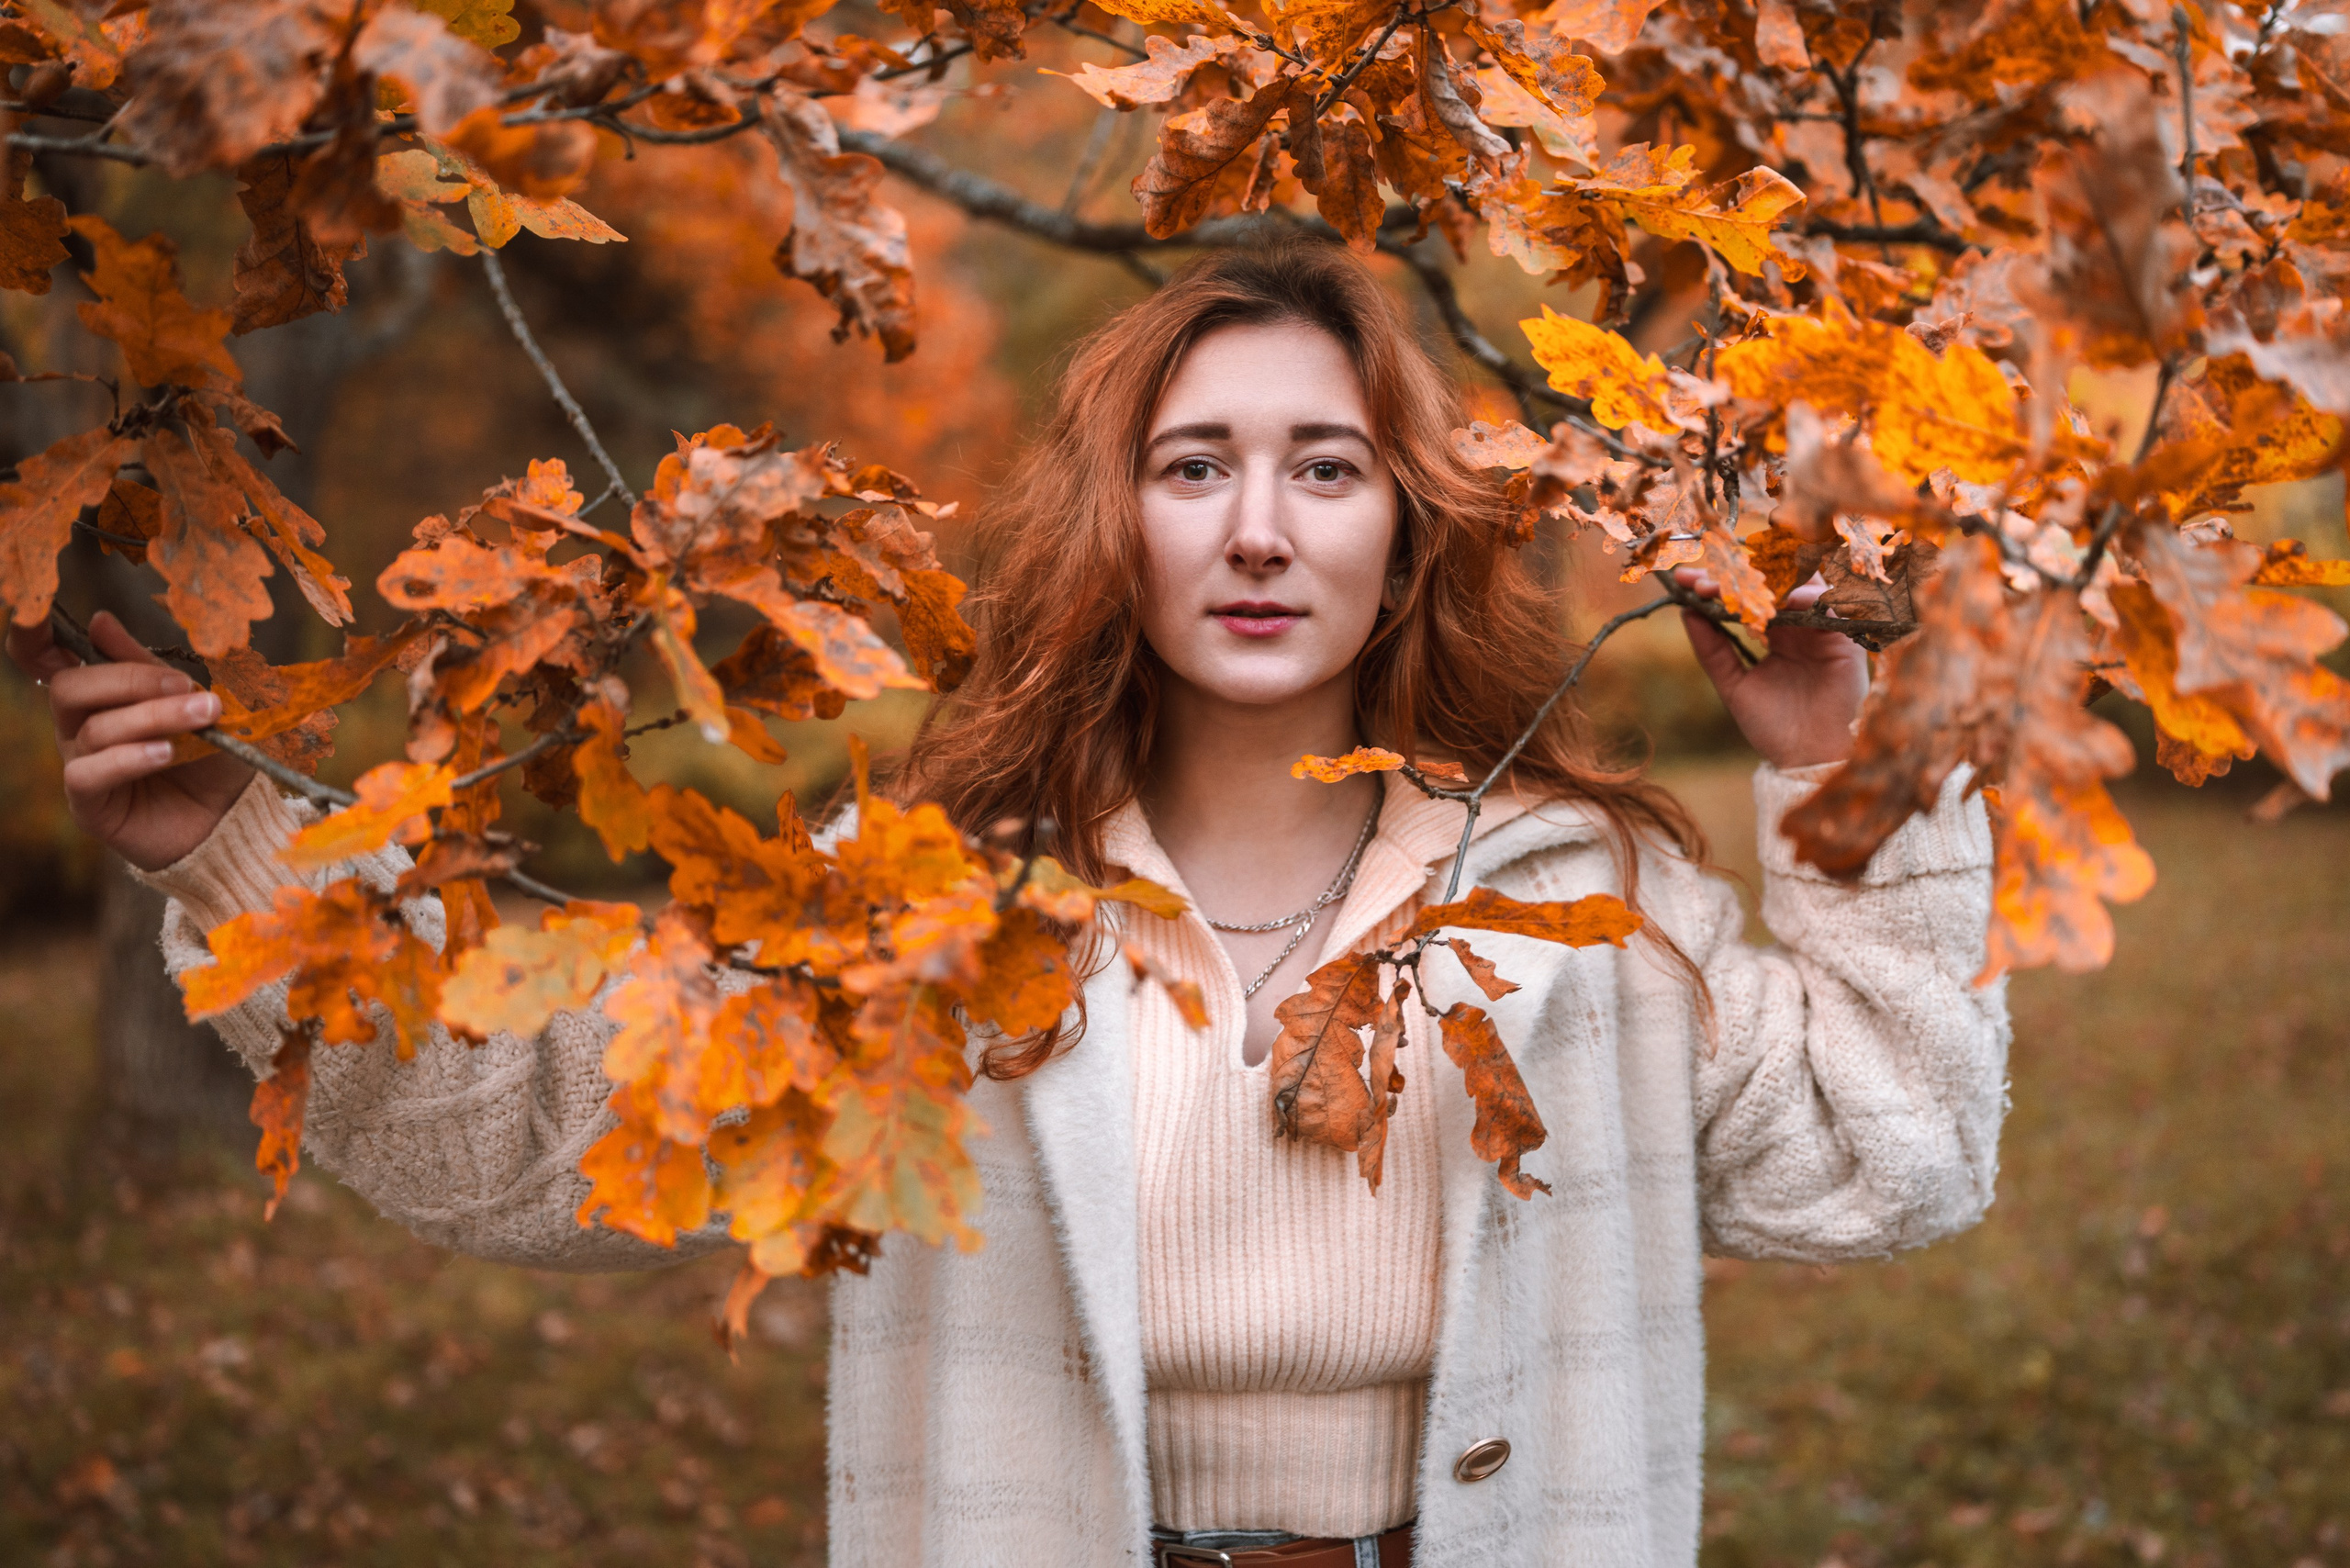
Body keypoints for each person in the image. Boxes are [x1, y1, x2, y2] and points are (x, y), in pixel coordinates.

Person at [10, 240, 2008, 1568]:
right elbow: (516, 1146)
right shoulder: (928, 911)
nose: (1255, 528)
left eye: (1324, 469)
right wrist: (232, 853)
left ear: (1405, 532)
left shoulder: (1580, 904)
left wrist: (1849, 761)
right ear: (1110, 519)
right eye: (1193, 466)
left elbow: (1894, 1150)